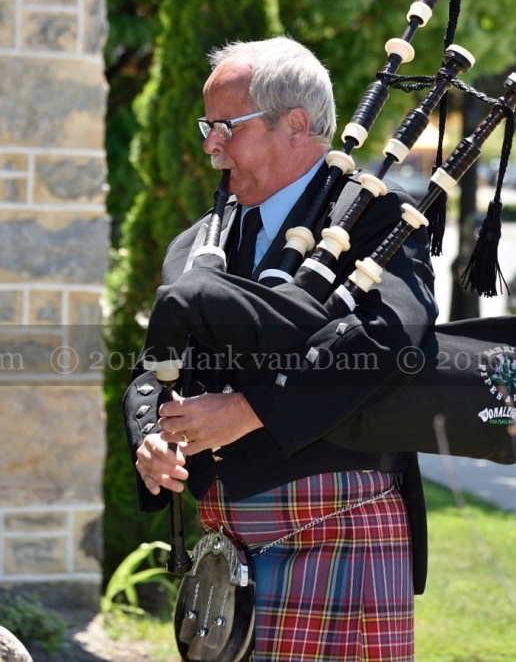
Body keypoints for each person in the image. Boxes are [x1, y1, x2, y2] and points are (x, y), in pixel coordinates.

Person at [125, 36, 438, 661]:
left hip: (335, 524)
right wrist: (150, 437)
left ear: (295, 124)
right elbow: (151, 369)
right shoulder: (198, 243)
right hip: (223, 543)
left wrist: (249, 410)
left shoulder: (377, 221)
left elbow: (389, 340)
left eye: (225, 127)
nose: (211, 146)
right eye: (206, 126)